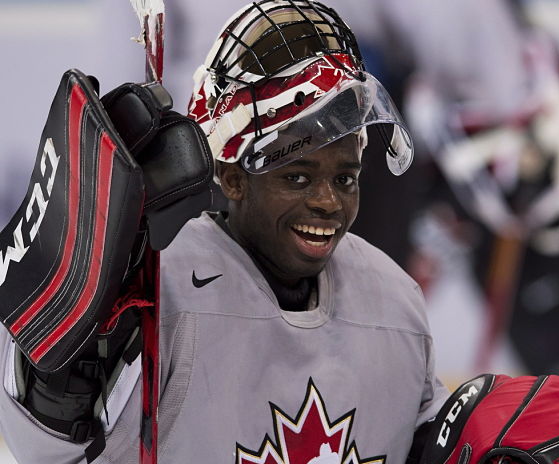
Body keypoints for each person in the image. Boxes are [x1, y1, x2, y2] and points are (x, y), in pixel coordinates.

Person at [0, 1, 448, 463]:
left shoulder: (393, 296)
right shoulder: (159, 283)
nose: (328, 202)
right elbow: (44, 452)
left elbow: (426, 437)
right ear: (232, 176)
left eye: (345, 178)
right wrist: (68, 371)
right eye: (296, 177)